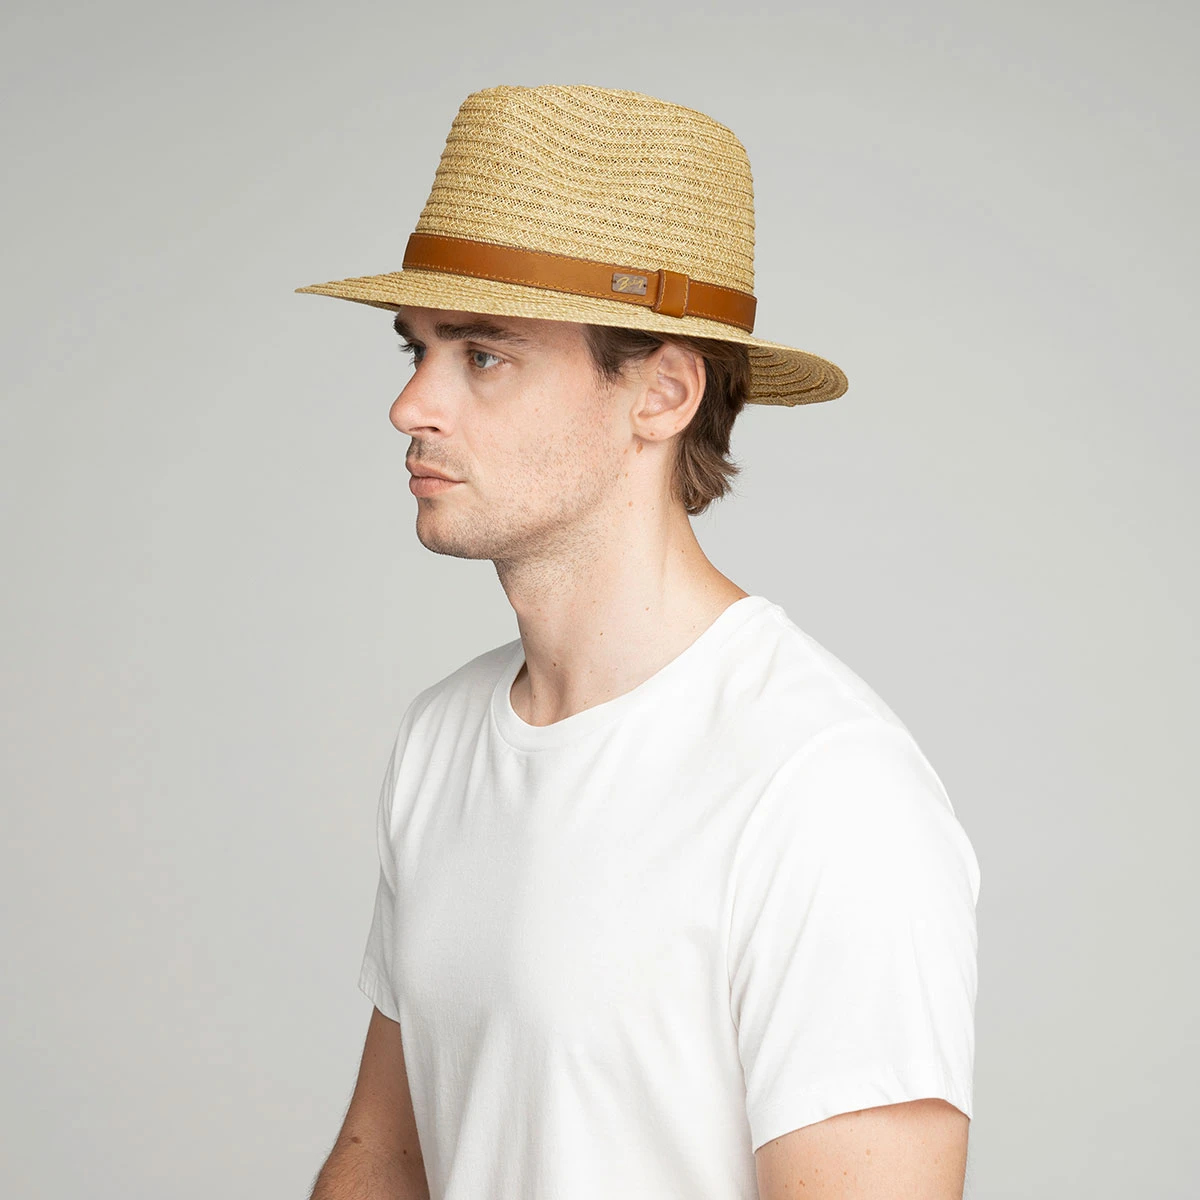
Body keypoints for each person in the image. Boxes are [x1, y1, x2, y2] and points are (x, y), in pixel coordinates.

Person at [296, 84, 981, 1200]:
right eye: (415, 350)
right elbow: (388, 1156)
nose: (411, 405)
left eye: (483, 355)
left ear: (661, 392)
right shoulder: (444, 738)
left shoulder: (823, 790)